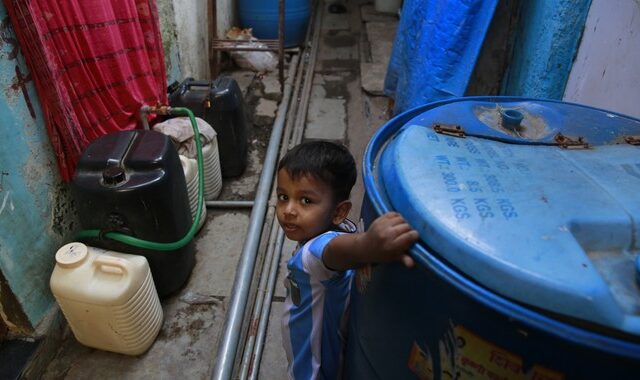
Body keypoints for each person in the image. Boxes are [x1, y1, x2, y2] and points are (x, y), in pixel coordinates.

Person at [277, 140, 419, 379]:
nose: (288, 210)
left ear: (338, 212)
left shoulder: (317, 251)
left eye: (306, 201)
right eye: (283, 196)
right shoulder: (341, 228)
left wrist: (368, 245)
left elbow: (336, 250)